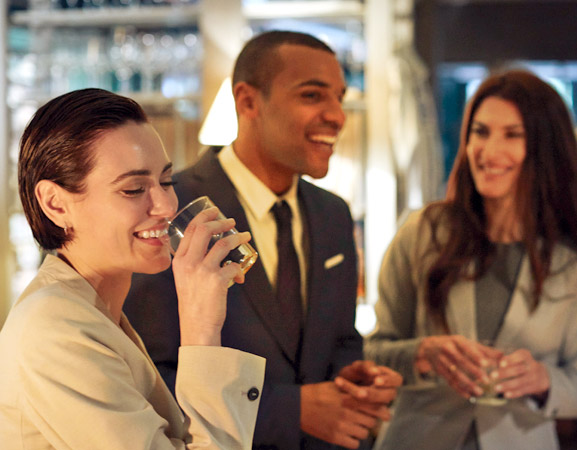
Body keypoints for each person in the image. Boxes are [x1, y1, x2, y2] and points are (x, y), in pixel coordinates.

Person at [124, 30, 401, 450]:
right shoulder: (169, 210)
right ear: (248, 101)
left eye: (340, 98)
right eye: (313, 96)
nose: (337, 116)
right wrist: (293, 411)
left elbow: (342, 338)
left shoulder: (334, 215)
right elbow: (146, 374)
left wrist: (354, 384)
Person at [364, 69, 577, 450]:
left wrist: (542, 379)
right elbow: (370, 353)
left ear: (546, 148)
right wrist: (422, 354)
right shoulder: (423, 232)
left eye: (512, 135)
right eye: (480, 132)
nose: (489, 151)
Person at [0, 88, 266, 449]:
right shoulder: (53, 330)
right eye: (134, 188)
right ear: (55, 204)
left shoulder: (97, 310)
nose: (165, 205)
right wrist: (201, 328)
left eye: (166, 181)